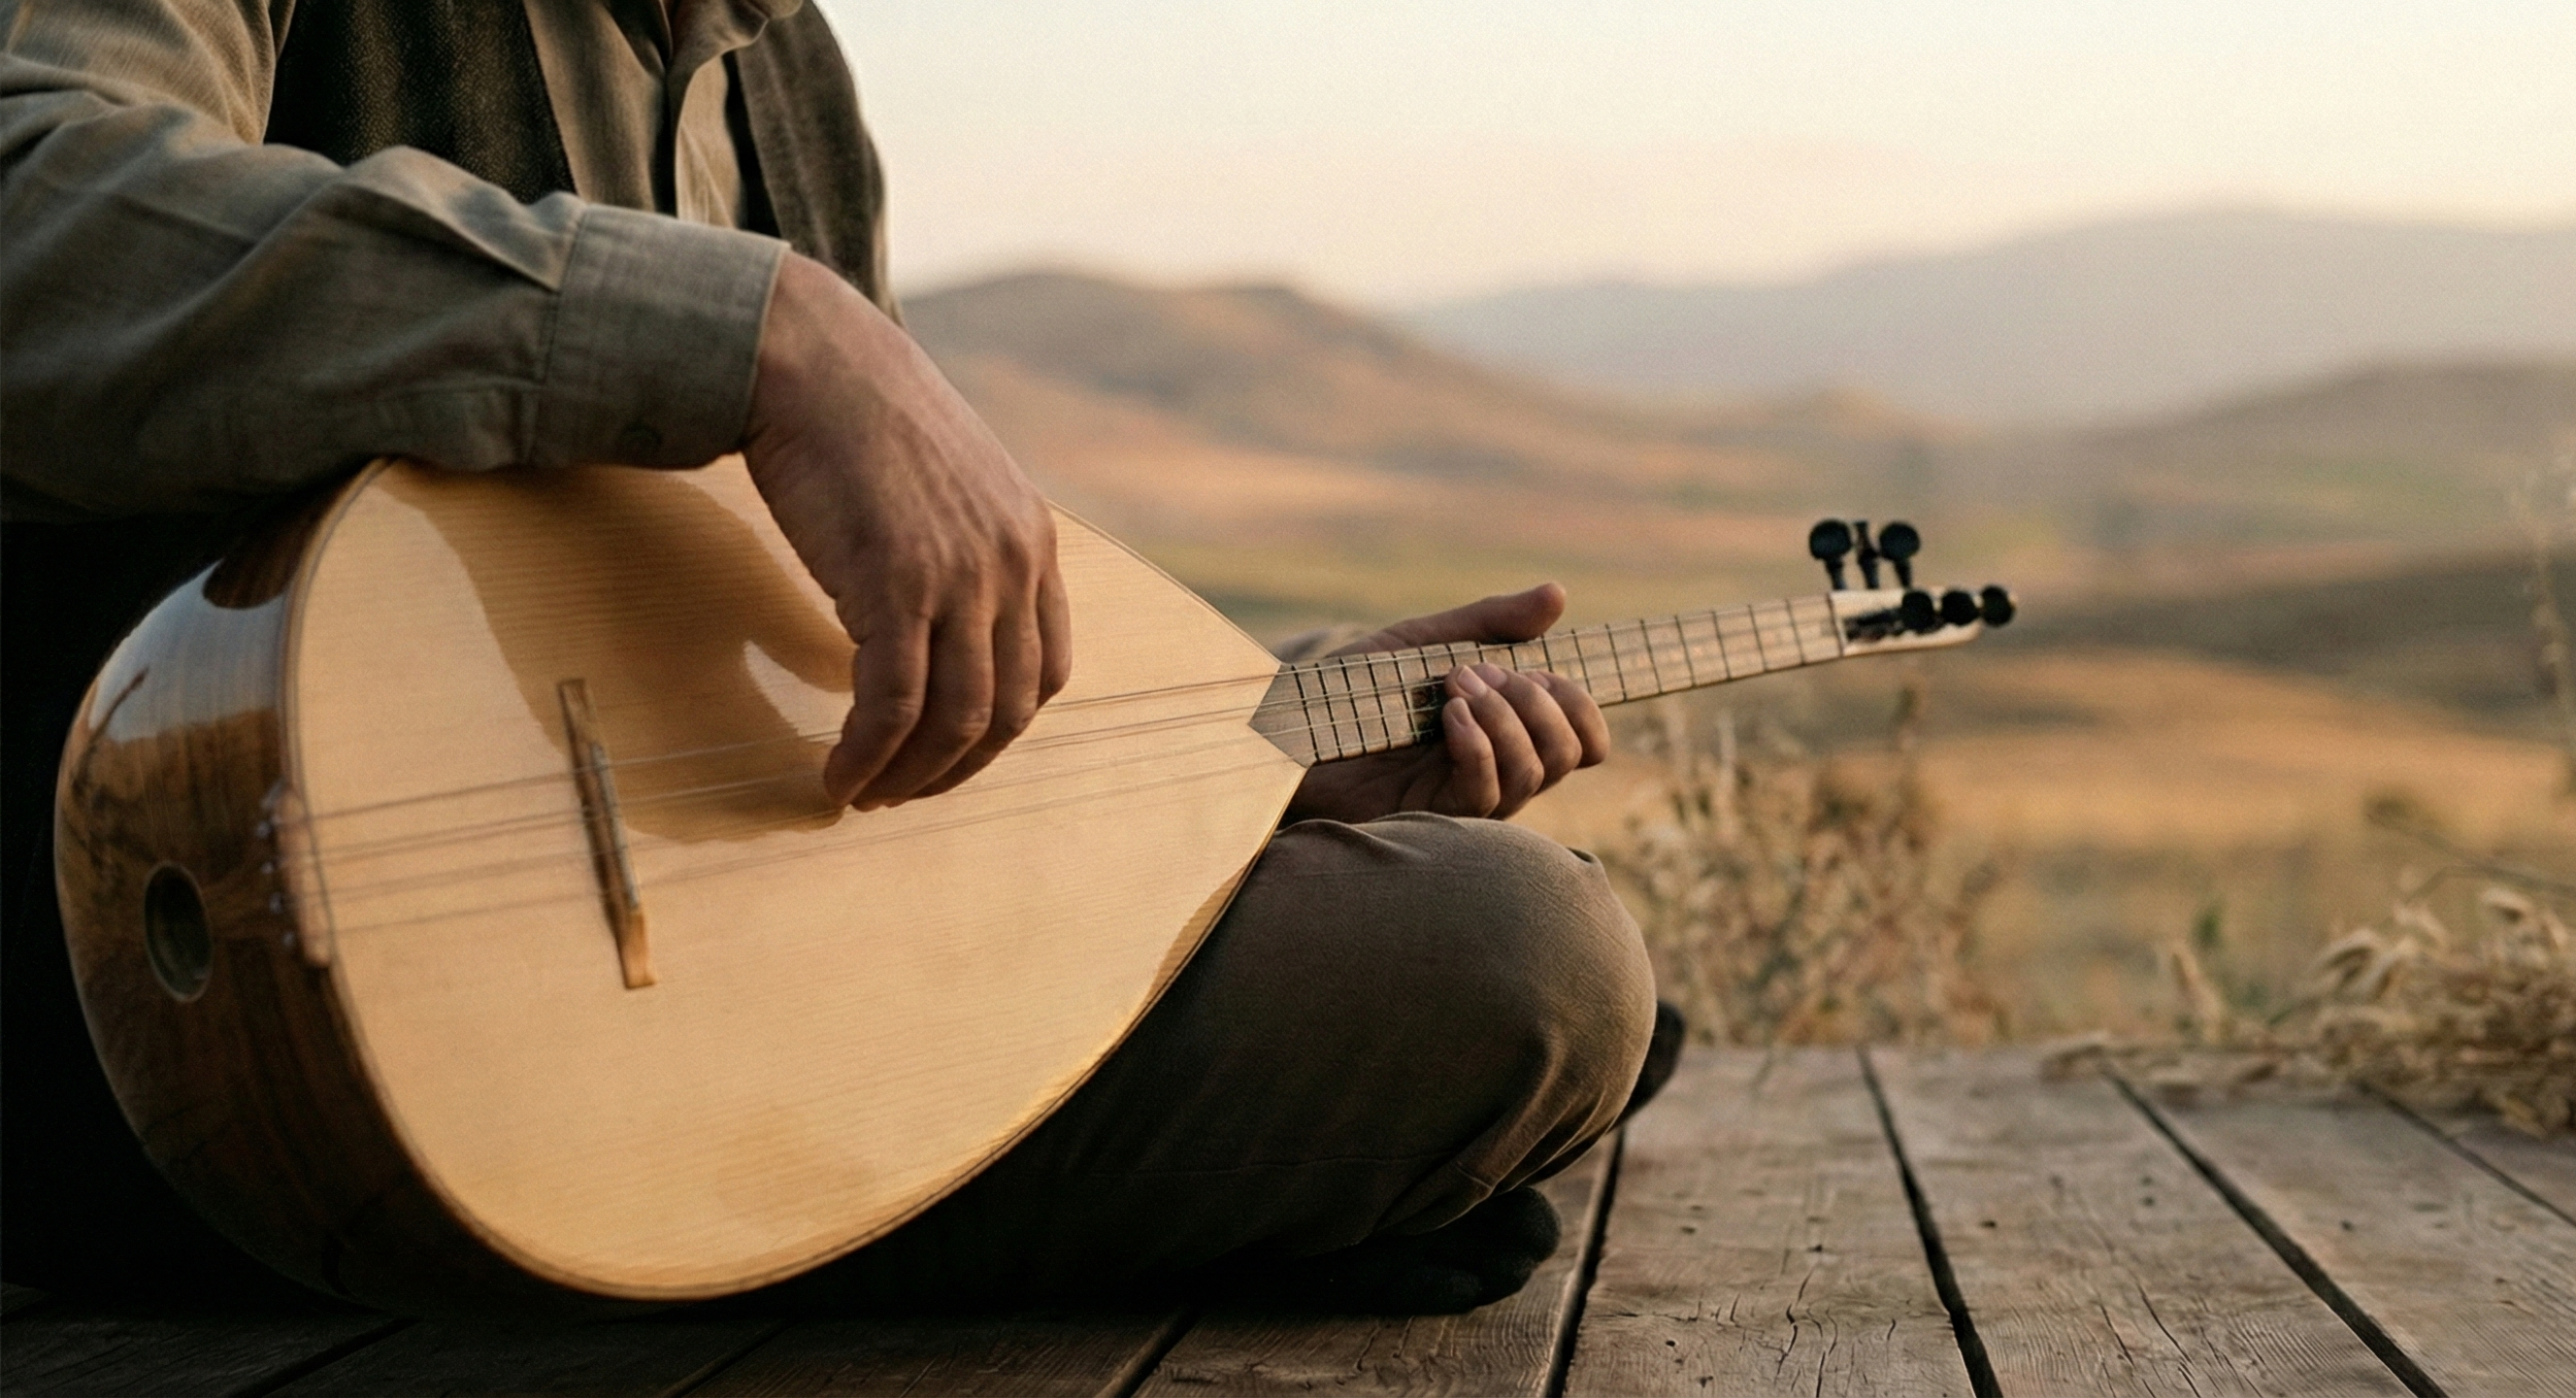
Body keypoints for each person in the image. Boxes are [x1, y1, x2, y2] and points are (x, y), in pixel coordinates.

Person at [0, 0, 1669, 1313]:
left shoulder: (791, 90)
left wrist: (1241, 762)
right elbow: (31, 206)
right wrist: (755, 334)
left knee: (1511, 964)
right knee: (1516, 970)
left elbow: (849, 706)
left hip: (699, 1016)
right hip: (171, 1044)